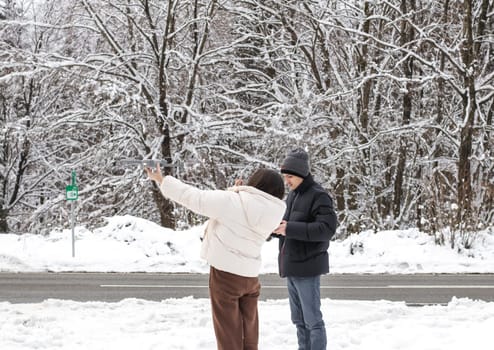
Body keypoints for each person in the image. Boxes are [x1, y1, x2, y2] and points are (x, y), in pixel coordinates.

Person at [145, 165, 286, 350]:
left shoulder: (231, 201)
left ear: (254, 183)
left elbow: (193, 197)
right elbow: (245, 211)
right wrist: (236, 191)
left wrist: (162, 179)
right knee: (249, 334)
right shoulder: (274, 212)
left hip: (226, 275)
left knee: (228, 334)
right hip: (250, 278)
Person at [272, 148, 337, 350]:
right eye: (285, 177)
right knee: (299, 321)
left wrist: (289, 228)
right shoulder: (293, 196)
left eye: (290, 176)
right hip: (291, 266)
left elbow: (326, 229)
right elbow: (287, 225)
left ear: (301, 174)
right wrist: (276, 229)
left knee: (313, 321)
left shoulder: (319, 196)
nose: (287, 181)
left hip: (307, 268)